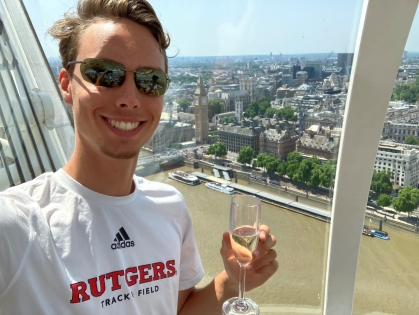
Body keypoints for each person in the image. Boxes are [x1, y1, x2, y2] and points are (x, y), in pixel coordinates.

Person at [0, 0, 277, 314]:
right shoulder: (15, 225)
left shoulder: (170, 206)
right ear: (66, 84)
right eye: (104, 74)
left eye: (150, 81)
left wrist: (231, 281)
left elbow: (179, 309)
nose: (130, 99)